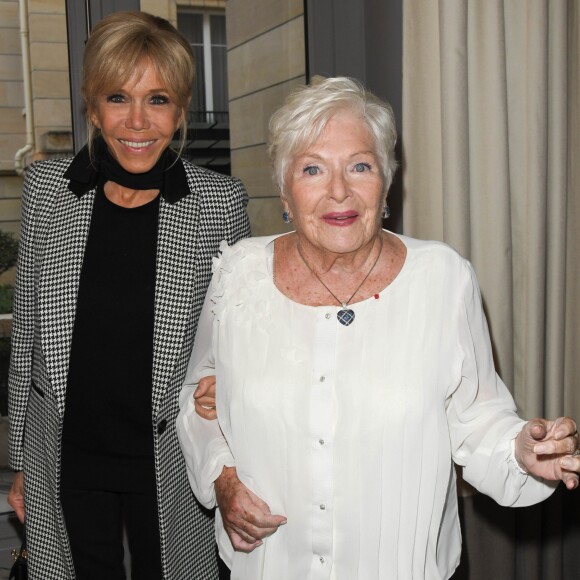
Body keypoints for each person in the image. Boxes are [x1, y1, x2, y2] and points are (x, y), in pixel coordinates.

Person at [176, 76, 580, 580]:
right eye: (313, 169)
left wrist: (522, 452)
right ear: (285, 188)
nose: (339, 191)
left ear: (386, 182)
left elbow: (478, 420)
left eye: (360, 166)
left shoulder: (443, 278)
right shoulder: (238, 276)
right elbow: (200, 399)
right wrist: (222, 477)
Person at [7, 11, 250, 580]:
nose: (138, 122)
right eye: (119, 97)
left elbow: (236, 340)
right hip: (66, 453)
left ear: (182, 109)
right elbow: (28, 340)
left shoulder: (218, 202)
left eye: (158, 99)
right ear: (92, 107)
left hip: (169, 455)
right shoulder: (46, 191)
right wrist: (21, 461)